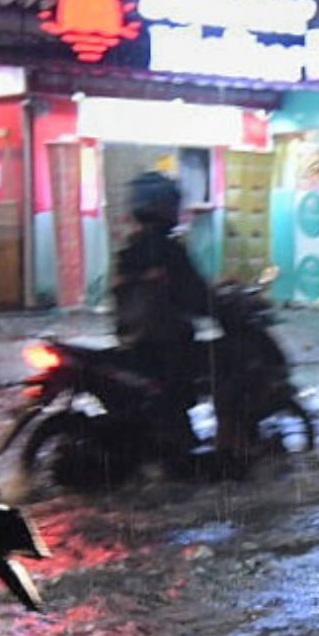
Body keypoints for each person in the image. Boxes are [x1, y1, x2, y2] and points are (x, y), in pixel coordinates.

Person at [110, 168, 215, 447]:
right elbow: (196, 294)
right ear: (163, 207)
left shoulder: (130, 248)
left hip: (132, 338)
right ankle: (180, 449)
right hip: (165, 342)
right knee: (188, 383)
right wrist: (217, 304)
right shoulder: (169, 250)